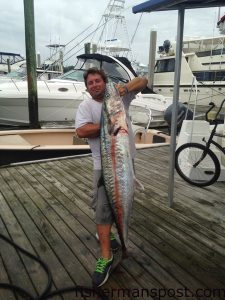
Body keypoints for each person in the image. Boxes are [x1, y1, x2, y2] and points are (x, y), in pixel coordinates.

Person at [75, 68, 148, 287]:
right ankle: (106, 256)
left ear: (105, 83)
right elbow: (81, 131)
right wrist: (109, 123)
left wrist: (124, 88)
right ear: (87, 88)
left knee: (116, 206)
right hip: (104, 166)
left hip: (126, 163)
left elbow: (143, 80)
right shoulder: (86, 106)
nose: (94, 85)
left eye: (98, 81)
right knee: (102, 211)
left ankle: (118, 241)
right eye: (90, 82)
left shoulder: (119, 98)